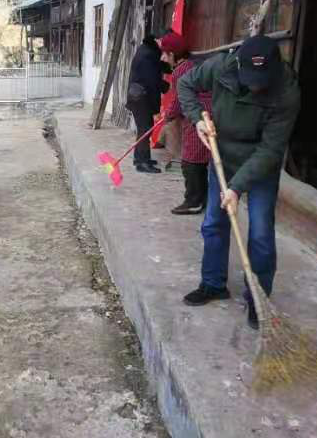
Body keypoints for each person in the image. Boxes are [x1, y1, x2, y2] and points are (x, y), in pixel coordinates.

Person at [177, 34, 301, 330]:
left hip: (260, 165)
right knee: (213, 223)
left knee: (259, 232)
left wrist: (235, 187)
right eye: (250, 78)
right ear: (239, 65)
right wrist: (197, 119)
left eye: (262, 79)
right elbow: (185, 85)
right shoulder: (222, 66)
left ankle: (258, 298)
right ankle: (213, 283)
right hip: (222, 155)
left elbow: (272, 150)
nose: (255, 85)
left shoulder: (287, 91)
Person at [163, 36, 213, 215]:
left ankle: (193, 201)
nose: (163, 58)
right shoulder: (193, 65)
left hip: (197, 117)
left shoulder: (181, 71)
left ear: (174, 54)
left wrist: (167, 115)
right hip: (207, 114)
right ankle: (205, 199)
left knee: (191, 161)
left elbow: (179, 101)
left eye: (166, 54)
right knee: (201, 160)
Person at [126, 34, 171, 173]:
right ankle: (142, 163)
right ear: (157, 40)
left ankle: (140, 158)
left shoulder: (148, 50)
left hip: (138, 96)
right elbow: (152, 83)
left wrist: (170, 70)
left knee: (144, 129)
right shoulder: (148, 55)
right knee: (145, 129)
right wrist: (157, 109)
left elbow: (158, 69)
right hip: (141, 98)